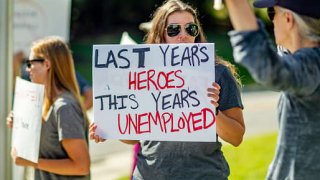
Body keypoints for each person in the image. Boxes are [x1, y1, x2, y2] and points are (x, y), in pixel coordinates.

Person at [90, 0, 245, 179]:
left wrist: (211, 110)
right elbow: (133, 137)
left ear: (197, 32)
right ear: (160, 34)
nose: (183, 35)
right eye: (173, 29)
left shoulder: (217, 73)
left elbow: (236, 138)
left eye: (190, 28)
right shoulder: (143, 74)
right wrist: (111, 128)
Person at [224, 0, 320, 179]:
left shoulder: (311, 65)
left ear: (288, 19)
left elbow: (267, 67)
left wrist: (235, 3)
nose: (272, 22)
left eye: (271, 13)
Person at [7, 37, 90, 179]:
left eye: (30, 63)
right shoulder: (47, 102)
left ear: (46, 64)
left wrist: (33, 162)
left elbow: (81, 166)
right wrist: (21, 124)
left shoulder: (64, 107)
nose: (28, 69)